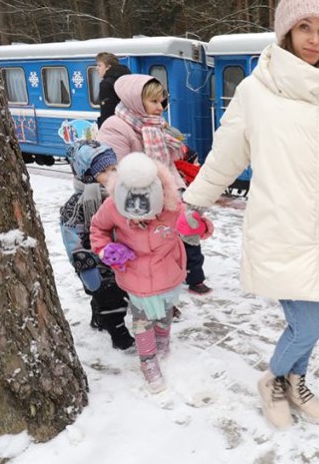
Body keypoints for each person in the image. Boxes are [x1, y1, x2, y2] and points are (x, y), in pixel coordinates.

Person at [178, 0, 319, 429]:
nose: (313, 39)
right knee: (309, 327)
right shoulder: (257, 92)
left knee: (309, 326)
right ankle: (274, 380)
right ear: (286, 33)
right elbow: (226, 156)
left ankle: (296, 380)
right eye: (303, 28)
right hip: (280, 232)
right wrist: (192, 204)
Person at [90, 152, 213, 393]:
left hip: (167, 273)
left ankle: (163, 341)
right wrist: (105, 249)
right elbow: (98, 228)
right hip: (135, 275)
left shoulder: (172, 206)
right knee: (142, 320)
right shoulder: (112, 205)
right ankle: (148, 361)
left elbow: (195, 228)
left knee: (165, 312)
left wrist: (197, 225)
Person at [97, 74, 211, 295]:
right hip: (139, 200)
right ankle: (156, 295)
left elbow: (174, 154)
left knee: (183, 237)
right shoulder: (115, 126)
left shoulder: (155, 124)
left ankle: (191, 278)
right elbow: (116, 170)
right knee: (150, 250)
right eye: (154, 102)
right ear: (136, 101)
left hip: (168, 191)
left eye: (162, 102)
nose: (160, 108)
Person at [59, 140, 134, 351]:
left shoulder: (119, 196)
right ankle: (119, 336)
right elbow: (71, 235)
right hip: (95, 262)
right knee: (111, 300)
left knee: (112, 297)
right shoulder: (77, 204)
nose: (113, 174)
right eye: (105, 171)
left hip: (120, 258)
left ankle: (99, 318)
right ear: (88, 175)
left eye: (114, 169)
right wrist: (85, 264)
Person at [95, 52, 131, 127]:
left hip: (113, 126)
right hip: (127, 123)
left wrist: (103, 128)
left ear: (108, 67)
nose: (96, 68)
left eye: (99, 65)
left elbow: (107, 112)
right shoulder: (126, 79)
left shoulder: (106, 84)